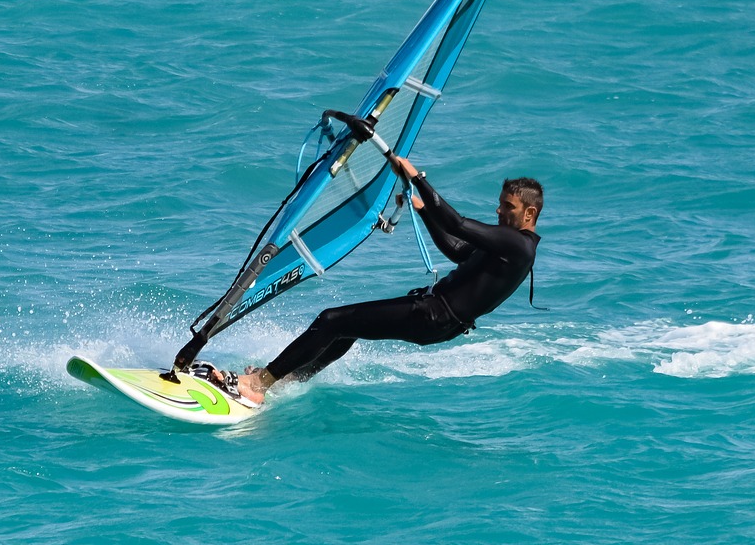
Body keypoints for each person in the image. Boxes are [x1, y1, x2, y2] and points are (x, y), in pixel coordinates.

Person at [232, 152, 542, 404]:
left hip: (433, 315)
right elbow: (459, 251)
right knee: (346, 328)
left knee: (331, 320)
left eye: (508, 206)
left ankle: (260, 383)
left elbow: (458, 224)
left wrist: (417, 177)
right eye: (500, 203)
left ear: (529, 213)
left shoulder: (517, 243)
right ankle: (290, 378)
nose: (499, 211)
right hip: (439, 320)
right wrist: (422, 210)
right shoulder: (512, 247)